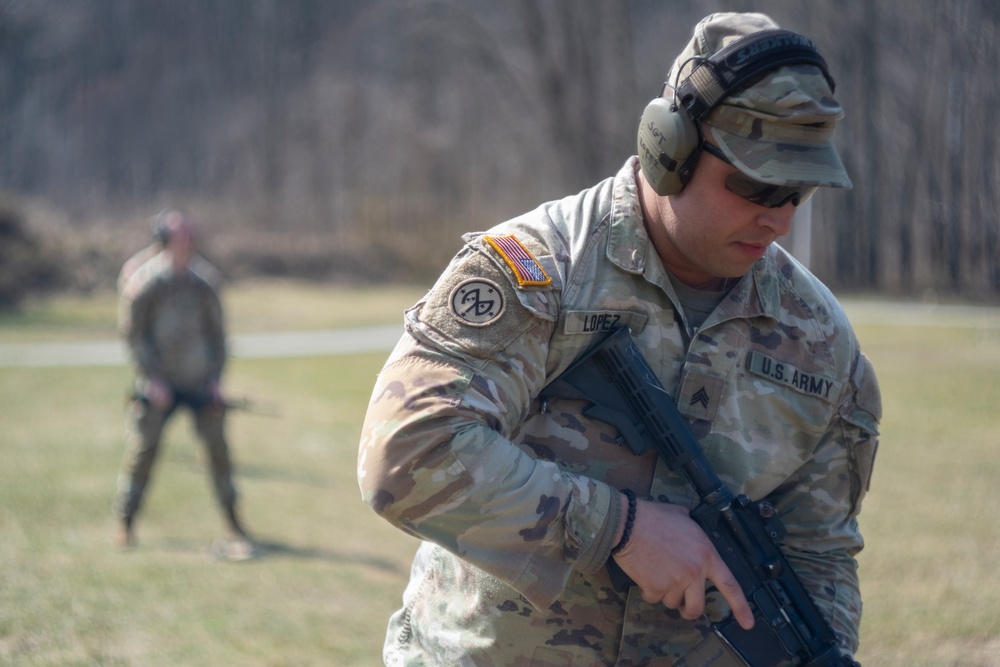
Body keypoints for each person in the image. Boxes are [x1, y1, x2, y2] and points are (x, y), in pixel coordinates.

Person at [358, 11, 881, 667]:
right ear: (671, 148)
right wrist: (620, 528)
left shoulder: (822, 341)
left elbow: (819, 556)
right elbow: (404, 453)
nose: (776, 215)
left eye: (798, 190)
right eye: (754, 183)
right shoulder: (536, 272)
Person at [113, 210, 253, 559]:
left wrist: (216, 381)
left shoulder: (203, 282)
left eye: (190, 234)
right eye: (180, 235)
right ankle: (125, 522)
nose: (187, 241)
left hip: (199, 383)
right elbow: (134, 335)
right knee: (142, 453)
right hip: (159, 387)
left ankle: (234, 522)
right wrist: (152, 379)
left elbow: (218, 336)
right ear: (165, 240)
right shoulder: (146, 282)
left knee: (219, 454)